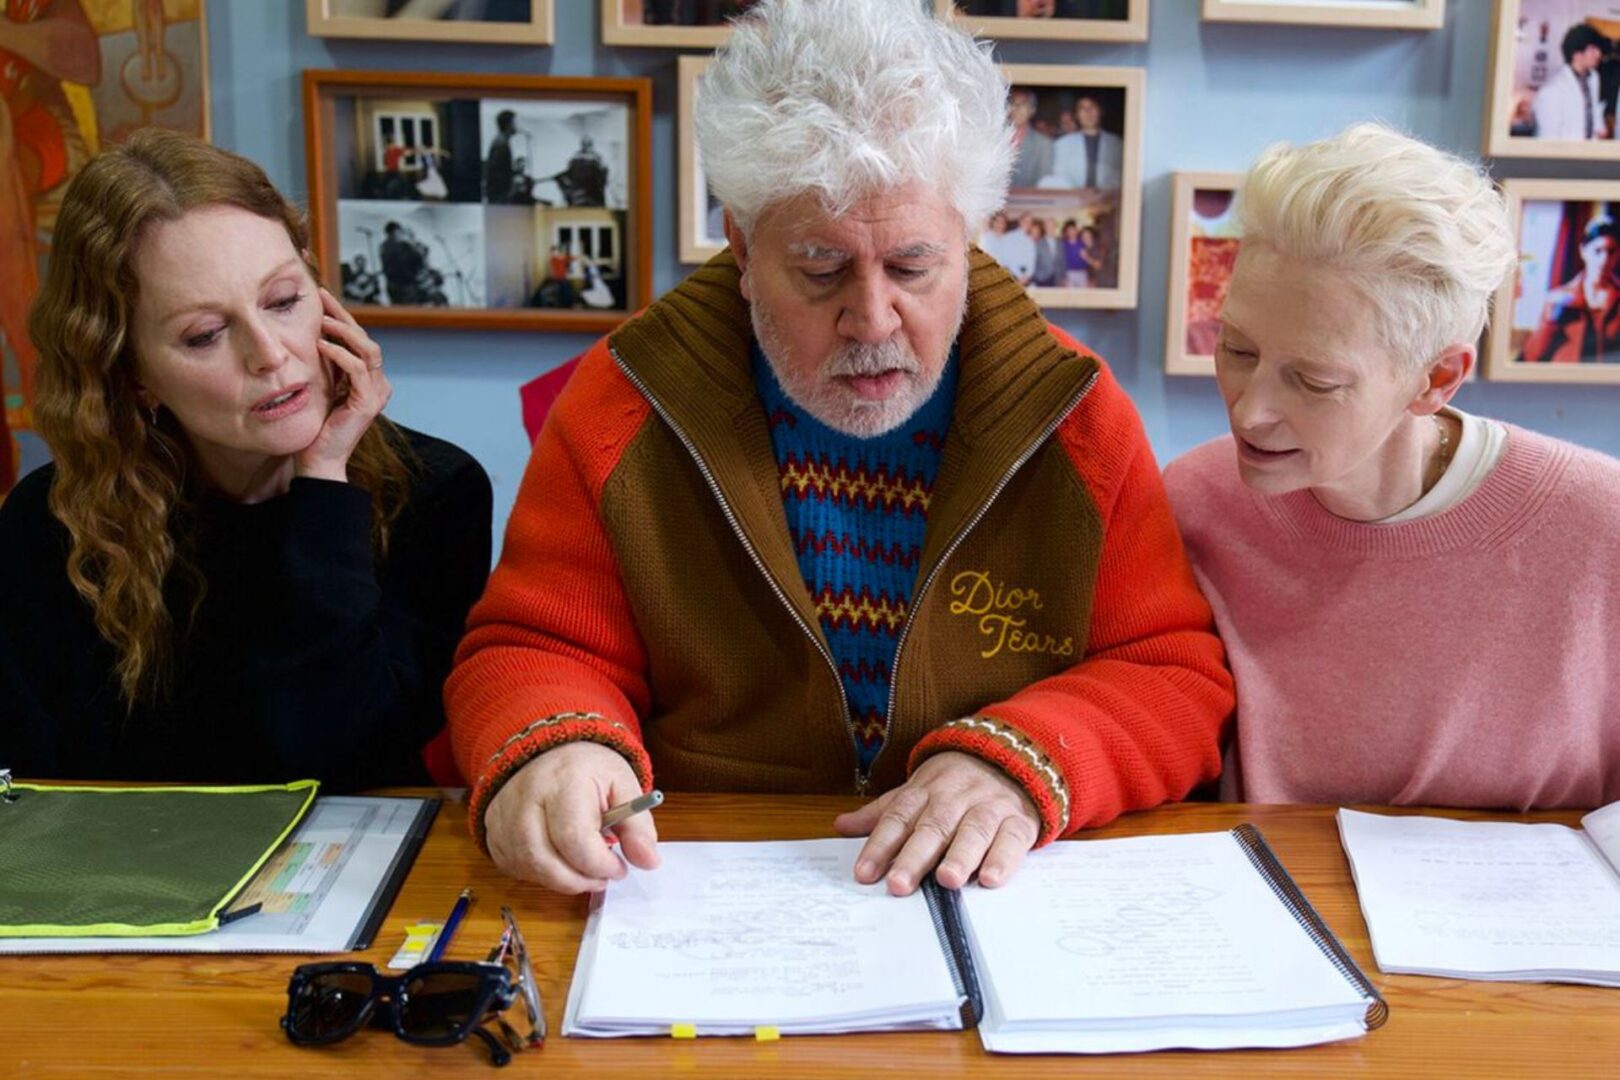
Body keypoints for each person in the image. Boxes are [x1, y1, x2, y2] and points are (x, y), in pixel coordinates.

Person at [448, 0, 1231, 897]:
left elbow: (1170, 672)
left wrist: (1020, 761)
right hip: (706, 877)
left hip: (983, 888)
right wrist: (559, 744)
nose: (871, 318)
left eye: (912, 266)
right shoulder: (622, 401)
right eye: (819, 270)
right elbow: (532, 646)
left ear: (969, 238)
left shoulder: (1077, 416)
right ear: (741, 246)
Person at [0, 129, 493, 790]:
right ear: (134, 374)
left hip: (352, 873)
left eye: (285, 301)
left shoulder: (437, 492)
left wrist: (324, 485)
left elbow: (350, 756)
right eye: (205, 334)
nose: (270, 353)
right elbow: (35, 781)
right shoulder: (51, 523)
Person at [1164, 123, 1620, 810]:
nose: (1249, 412)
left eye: (1313, 382)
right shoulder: (1191, 503)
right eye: (1237, 350)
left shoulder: (1599, 526)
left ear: (1436, 379)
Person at [1519, 215, 1620, 363]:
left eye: (1611, 251)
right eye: (1598, 251)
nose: (1604, 259)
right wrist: (1551, 322)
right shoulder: (1558, 299)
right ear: (1583, 251)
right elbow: (1531, 357)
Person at [1533, 24, 1608, 141]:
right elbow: (1548, 140)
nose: (1599, 54)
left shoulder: (1593, 78)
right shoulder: (1552, 90)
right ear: (1576, 53)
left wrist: (1599, 128)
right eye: (1593, 49)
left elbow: (1593, 108)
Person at [1049, 94, 1122, 191]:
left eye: (1092, 107)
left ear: (1100, 111)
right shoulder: (1061, 144)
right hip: (1073, 198)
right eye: (1082, 108)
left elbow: (1120, 177)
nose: (1088, 112)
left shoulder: (1117, 144)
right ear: (1076, 115)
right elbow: (1060, 175)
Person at [1006, 88, 1052, 190]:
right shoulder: (994, 139)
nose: (1017, 108)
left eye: (1022, 104)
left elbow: (1044, 183)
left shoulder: (1043, 144)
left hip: (1031, 202)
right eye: (1013, 103)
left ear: (1032, 110)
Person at [978, 210, 1036, 284]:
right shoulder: (986, 236)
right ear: (993, 222)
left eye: (1003, 222)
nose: (1000, 224)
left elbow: (1011, 259)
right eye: (998, 221)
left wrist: (1023, 276)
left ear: (1005, 224)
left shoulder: (1007, 238)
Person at [485, 109, 521, 203]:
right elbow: (498, 174)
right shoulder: (501, 144)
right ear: (509, 124)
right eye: (515, 123)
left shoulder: (501, 141)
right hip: (500, 197)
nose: (517, 126)